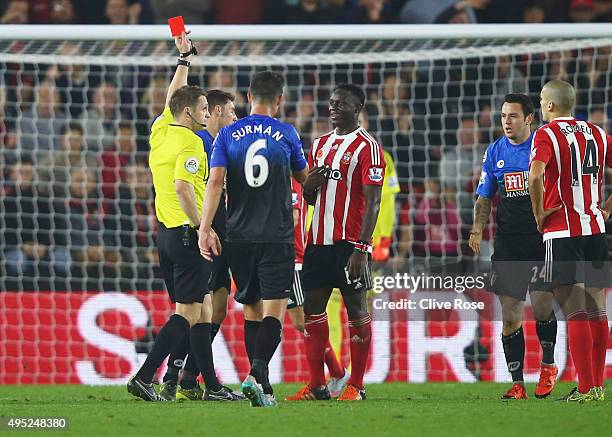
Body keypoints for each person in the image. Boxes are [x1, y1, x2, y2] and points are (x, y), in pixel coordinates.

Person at [127, 31, 238, 402]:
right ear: (190, 113)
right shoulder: (191, 143)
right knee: (189, 314)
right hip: (187, 235)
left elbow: (173, 96)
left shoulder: (161, 131)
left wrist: (184, 59)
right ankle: (145, 376)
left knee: (199, 310)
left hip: (165, 235)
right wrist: (203, 227)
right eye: (205, 109)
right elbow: (182, 187)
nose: (208, 115)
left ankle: (201, 386)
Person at [198, 71, 308, 407]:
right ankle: (256, 374)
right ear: (279, 100)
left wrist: (205, 228)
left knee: (251, 310)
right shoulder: (287, 133)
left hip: (238, 237)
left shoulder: (228, 134)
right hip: (275, 236)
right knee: (274, 312)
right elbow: (304, 179)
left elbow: (215, 183)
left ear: (248, 96)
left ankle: (264, 388)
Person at [287, 83, 385, 401]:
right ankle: (317, 385)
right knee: (312, 314)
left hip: (349, 245)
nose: (333, 108)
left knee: (356, 311)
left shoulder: (368, 147)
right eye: (331, 103)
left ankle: (356, 385)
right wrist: (308, 188)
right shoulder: (319, 145)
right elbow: (314, 196)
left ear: (356, 109)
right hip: (317, 242)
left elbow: (373, 202)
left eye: (340, 104)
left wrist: (362, 247)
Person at [469, 94, 559, 400]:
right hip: (507, 242)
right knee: (510, 316)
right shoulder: (495, 151)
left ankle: (548, 366)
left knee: (544, 307)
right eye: (503, 116)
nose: (506, 122)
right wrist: (478, 228)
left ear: (529, 119)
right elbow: (484, 196)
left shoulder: (544, 146)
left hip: (541, 238)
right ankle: (518, 382)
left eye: (513, 116)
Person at [529, 79, 611, 403]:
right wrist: (605, 208)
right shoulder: (597, 133)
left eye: (540, 100)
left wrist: (538, 213)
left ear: (549, 105)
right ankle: (598, 387)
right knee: (597, 310)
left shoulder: (546, 134)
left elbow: (535, 174)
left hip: (562, 231)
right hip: (595, 229)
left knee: (574, 311)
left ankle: (587, 388)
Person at [159, 89, 238, 401]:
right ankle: (173, 377)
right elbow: (192, 187)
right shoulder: (200, 142)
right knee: (196, 310)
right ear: (216, 112)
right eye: (232, 113)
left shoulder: (223, 144)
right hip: (205, 234)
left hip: (220, 233)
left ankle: (190, 378)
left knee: (216, 307)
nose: (236, 119)